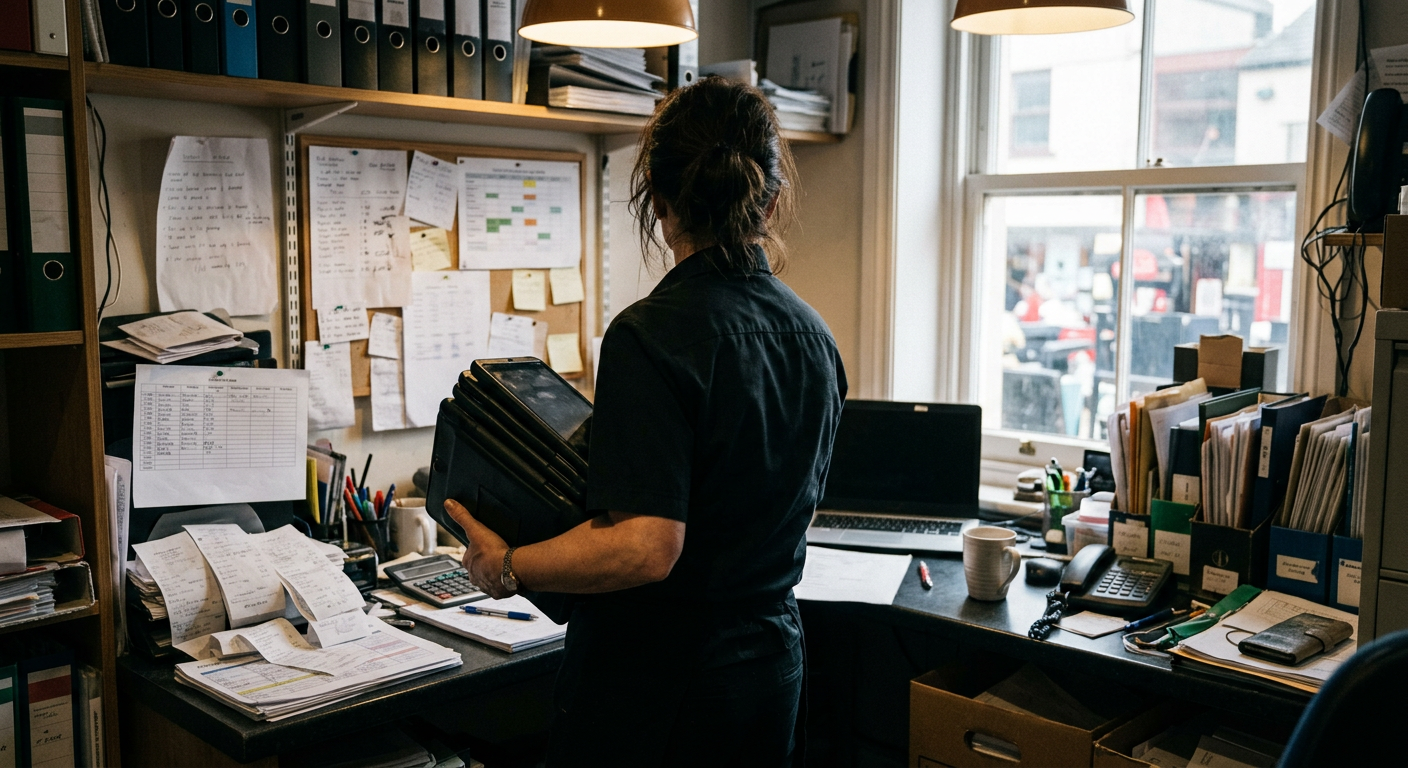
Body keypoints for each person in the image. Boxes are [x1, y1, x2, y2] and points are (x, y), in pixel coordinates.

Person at [445, 76, 847, 767]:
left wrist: (505, 564)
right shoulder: (815, 335)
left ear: (658, 201)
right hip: (770, 669)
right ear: (771, 203)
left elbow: (644, 547)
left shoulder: (649, 336)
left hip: (661, 689)